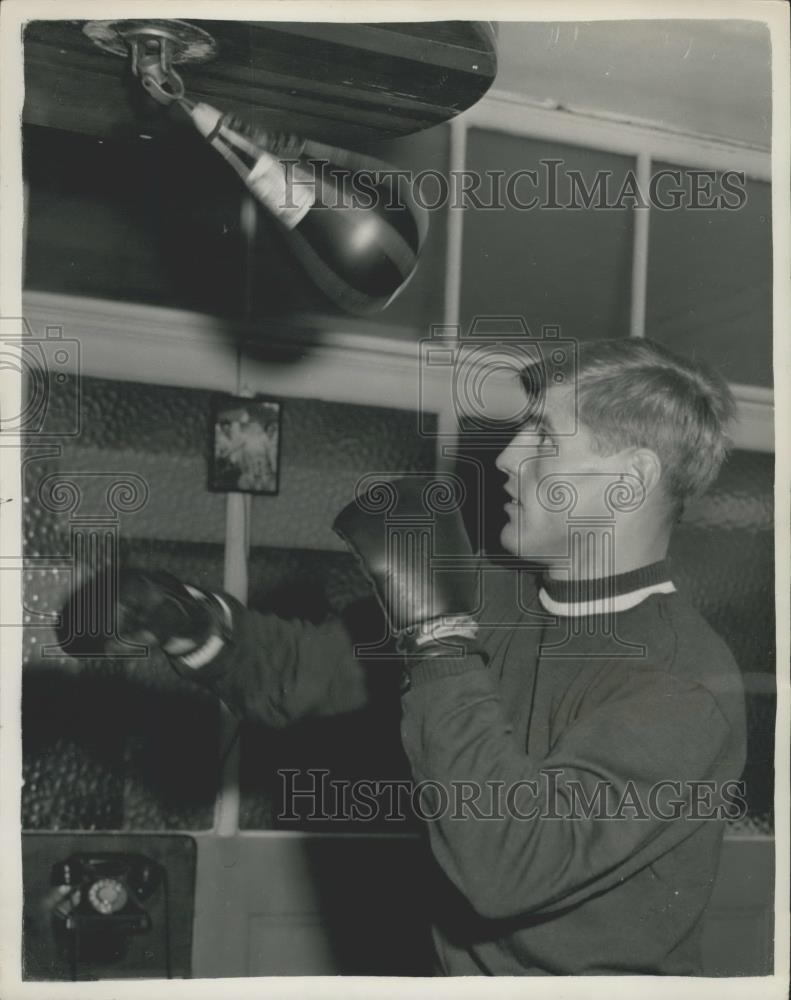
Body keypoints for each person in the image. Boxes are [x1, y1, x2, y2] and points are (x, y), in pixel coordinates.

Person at [92, 338, 747, 976]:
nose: (507, 457)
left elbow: (509, 866)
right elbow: (302, 672)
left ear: (629, 479)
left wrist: (439, 640)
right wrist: (185, 622)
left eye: (545, 438)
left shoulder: (680, 683)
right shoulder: (488, 593)